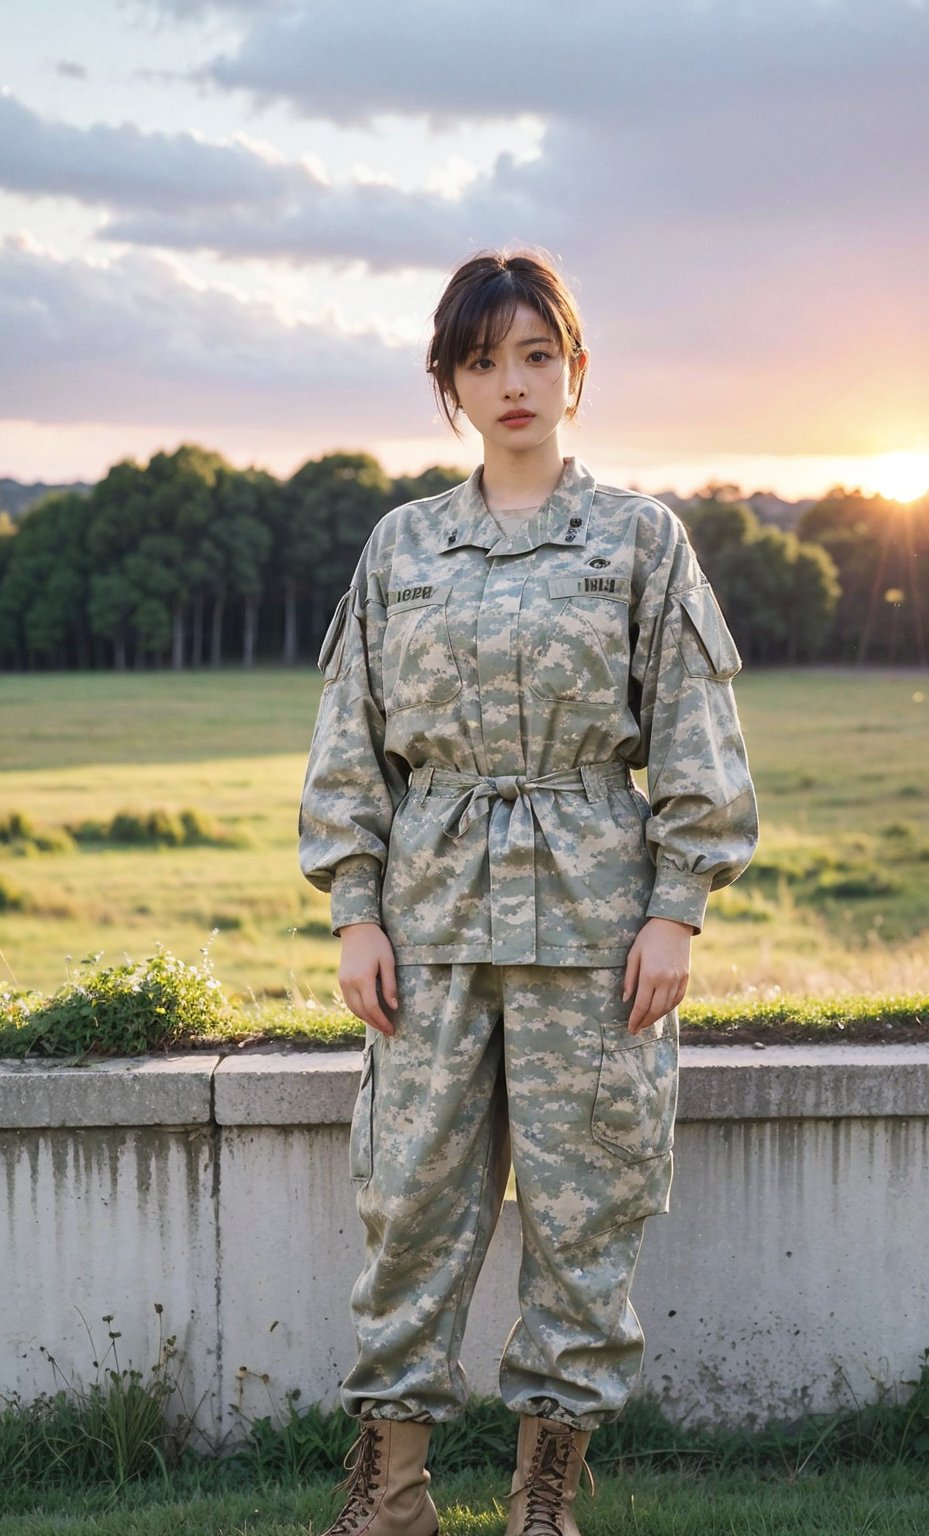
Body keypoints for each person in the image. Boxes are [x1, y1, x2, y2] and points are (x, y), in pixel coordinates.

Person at [298, 248, 758, 1536]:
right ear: (449, 382)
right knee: (412, 1200)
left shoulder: (639, 542)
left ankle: (541, 1495)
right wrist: (354, 910)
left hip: (596, 926)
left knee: (588, 1200)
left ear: (576, 368)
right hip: (432, 924)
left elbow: (694, 737)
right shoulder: (402, 547)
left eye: (537, 355)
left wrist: (677, 907)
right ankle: (389, 1494)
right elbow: (351, 743)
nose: (514, 383)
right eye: (484, 361)